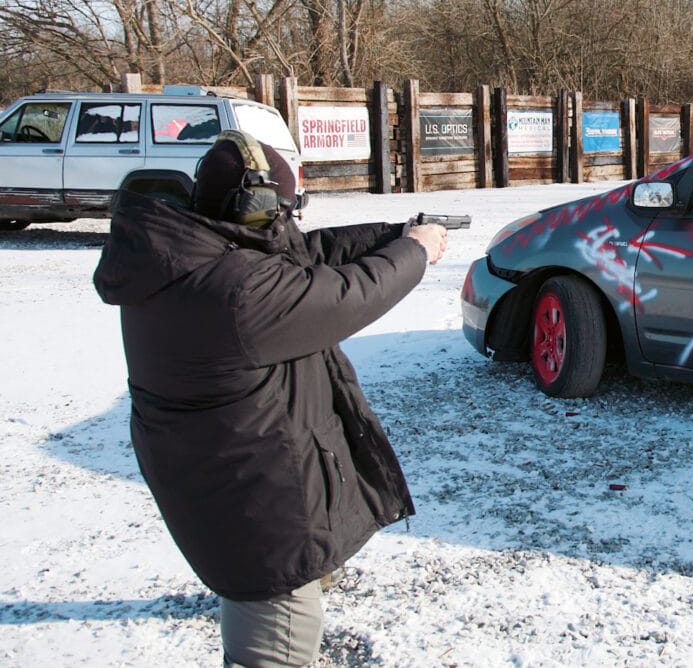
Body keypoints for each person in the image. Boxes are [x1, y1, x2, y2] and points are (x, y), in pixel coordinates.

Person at [93, 130, 447, 666]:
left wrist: (396, 232)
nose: (290, 221)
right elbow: (350, 294)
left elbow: (307, 252)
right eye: (284, 208)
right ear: (253, 206)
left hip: (227, 478)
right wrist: (414, 253)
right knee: (274, 629)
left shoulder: (192, 252)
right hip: (260, 516)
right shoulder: (236, 293)